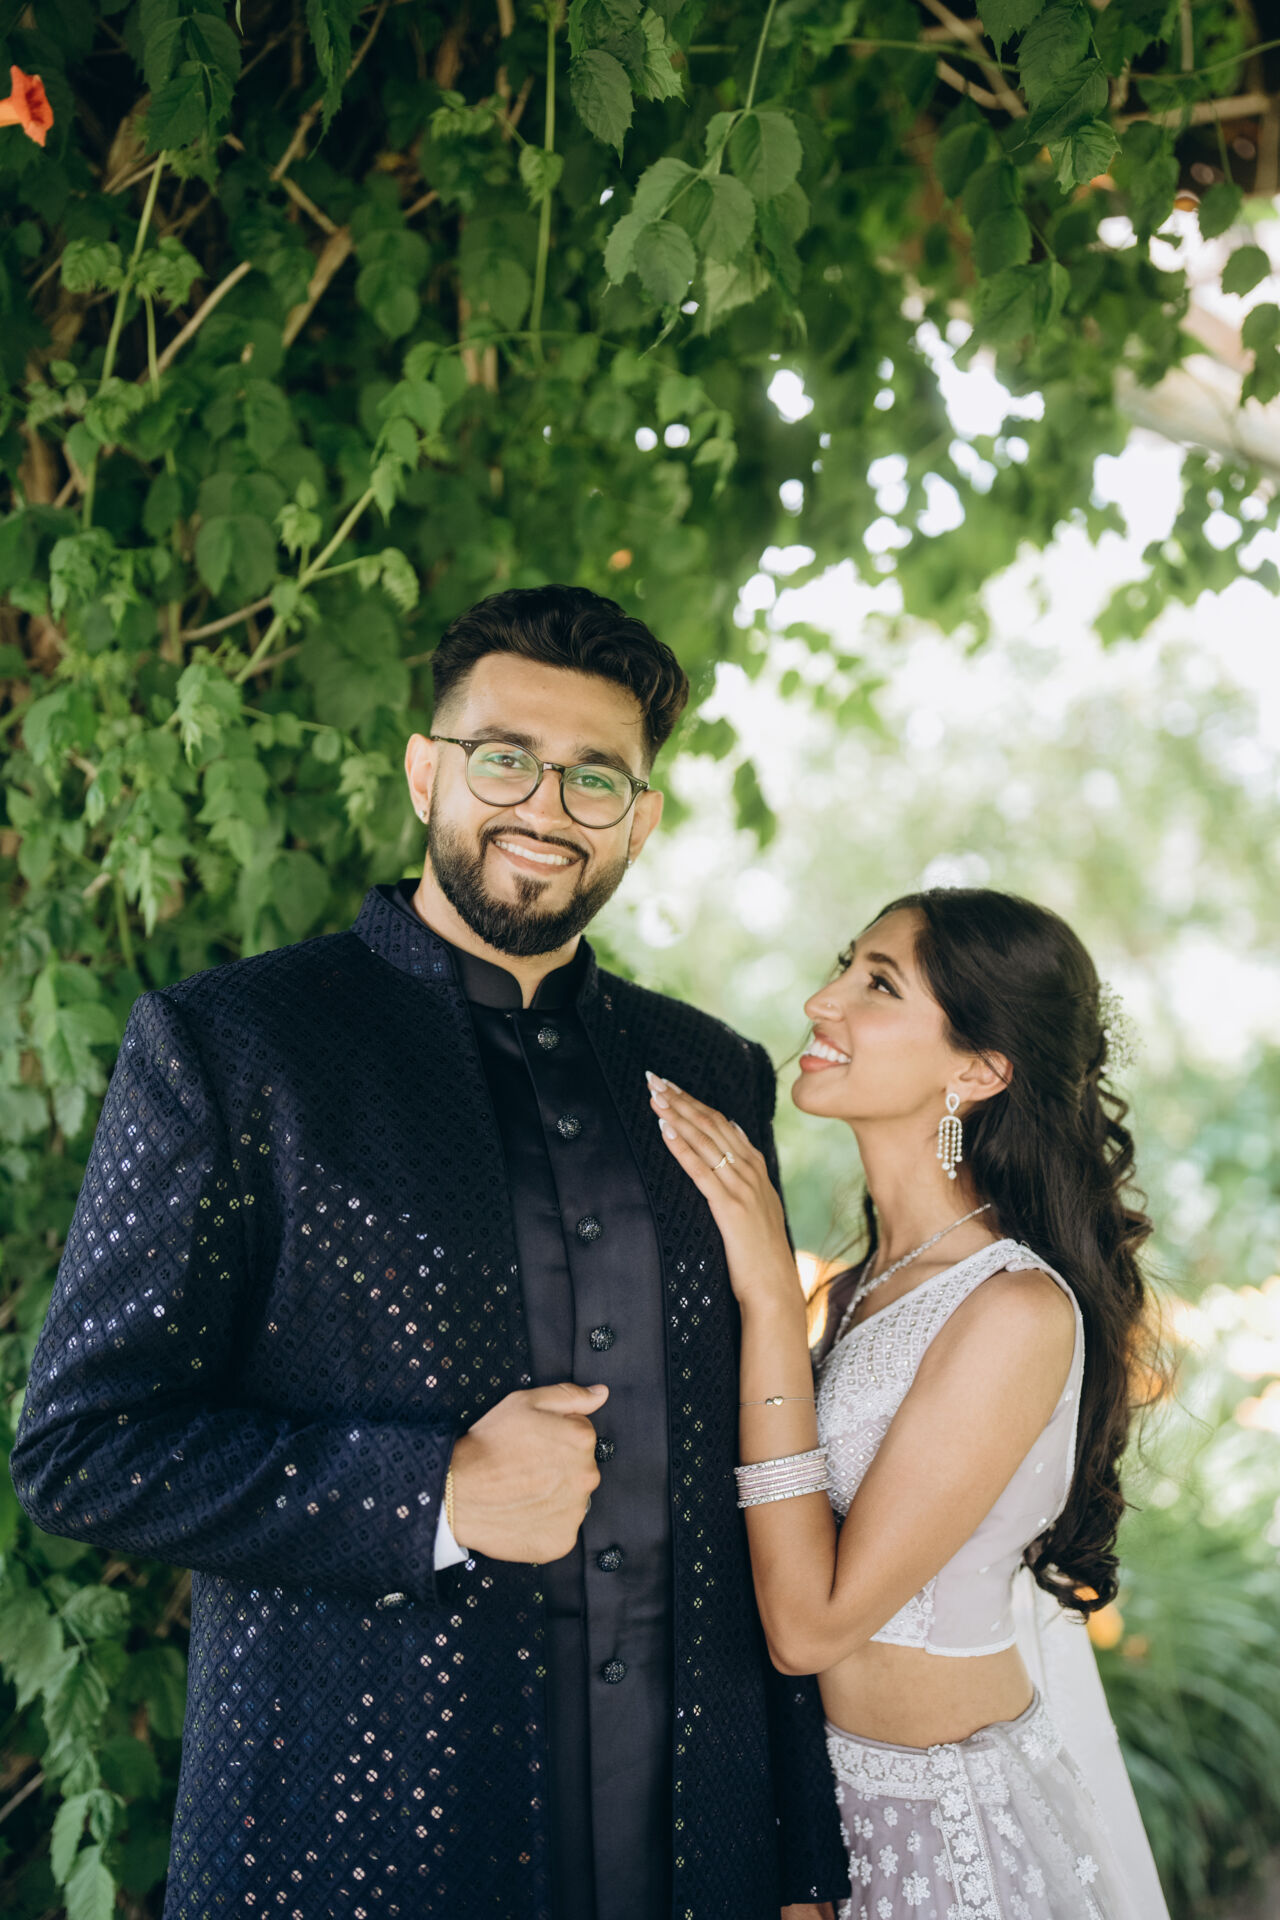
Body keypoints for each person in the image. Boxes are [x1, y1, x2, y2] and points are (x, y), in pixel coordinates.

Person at [10, 586, 848, 1920]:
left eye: (593, 777)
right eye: (503, 757)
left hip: (697, 1853)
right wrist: (434, 1497)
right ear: (424, 773)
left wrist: (802, 1852)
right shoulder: (234, 1046)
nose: (544, 806)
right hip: (361, 1848)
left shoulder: (711, 1071)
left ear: (639, 819)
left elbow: (759, 1457)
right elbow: (81, 1450)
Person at [645, 887, 1172, 1920]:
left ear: (977, 1071)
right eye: (845, 965)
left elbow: (809, 1629)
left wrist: (766, 1293)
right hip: (819, 1824)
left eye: (877, 985)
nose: (821, 1000)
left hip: (948, 1840)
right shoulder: (865, 1285)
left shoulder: (1014, 1310)